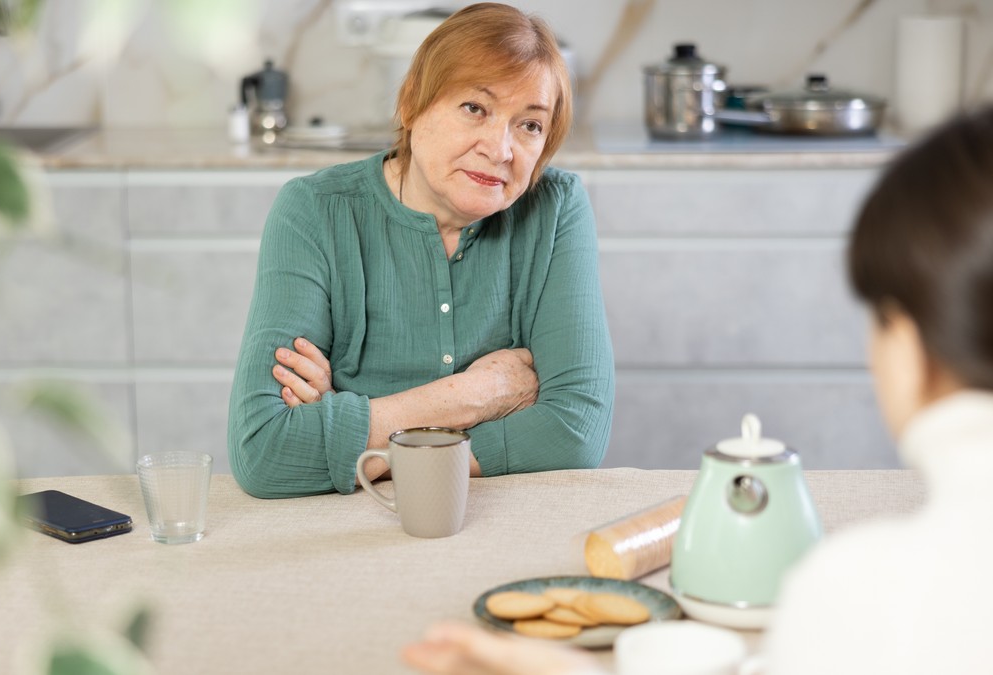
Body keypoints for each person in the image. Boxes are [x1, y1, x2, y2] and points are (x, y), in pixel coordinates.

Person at [402, 105, 993, 674]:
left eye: (880, 317)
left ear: (911, 350)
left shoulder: (864, 593)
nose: (500, 146)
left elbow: (572, 428)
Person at [227, 3, 614, 498]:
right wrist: (479, 396)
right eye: (475, 108)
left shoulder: (557, 207)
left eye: (530, 126)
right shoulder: (313, 211)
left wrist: (347, 435)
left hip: (510, 523)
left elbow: (575, 434)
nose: (500, 149)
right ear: (412, 103)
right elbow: (264, 450)